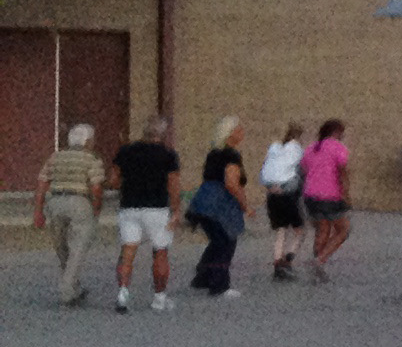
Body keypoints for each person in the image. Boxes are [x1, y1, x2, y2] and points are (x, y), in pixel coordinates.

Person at [110, 115, 182, 313]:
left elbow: (114, 180)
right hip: (157, 209)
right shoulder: (168, 155)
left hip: (129, 207)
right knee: (160, 251)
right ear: (164, 134)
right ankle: (159, 298)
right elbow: (173, 185)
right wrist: (176, 210)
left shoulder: (125, 151)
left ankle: (123, 293)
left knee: (128, 251)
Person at [32, 122, 106, 306]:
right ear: (88, 141)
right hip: (80, 202)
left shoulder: (55, 157)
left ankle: (73, 285)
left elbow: (42, 183)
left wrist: (38, 210)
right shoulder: (91, 159)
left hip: (56, 201)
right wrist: (97, 207)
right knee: (78, 247)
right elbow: (96, 187)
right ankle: (67, 290)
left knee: (61, 246)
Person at [186, 117, 250, 298]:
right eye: (239, 129)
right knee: (226, 242)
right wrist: (245, 205)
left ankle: (203, 276)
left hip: (203, 200)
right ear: (230, 134)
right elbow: (232, 183)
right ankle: (219, 284)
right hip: (218, 203)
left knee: (217, 240)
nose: (242, 132)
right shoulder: (231, 156)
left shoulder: (213, 153)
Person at [302, 118, 353, 281]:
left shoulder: (311, 148)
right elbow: (342, 171)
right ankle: (320, 260)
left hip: (311, 194)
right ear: (337, 132)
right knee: (343, 229)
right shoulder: (338, 148)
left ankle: (318, 268)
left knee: (322, 230)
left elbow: (304, 168)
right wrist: (346, 193)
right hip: (330, 195)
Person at [259, 122, 308, 279]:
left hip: (272, 196)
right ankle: (288, 260)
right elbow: (302, 172)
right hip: (288, 197)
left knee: (281, 231)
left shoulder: (275, 150)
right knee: (300, 231)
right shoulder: (296, 151)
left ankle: (277, 262)